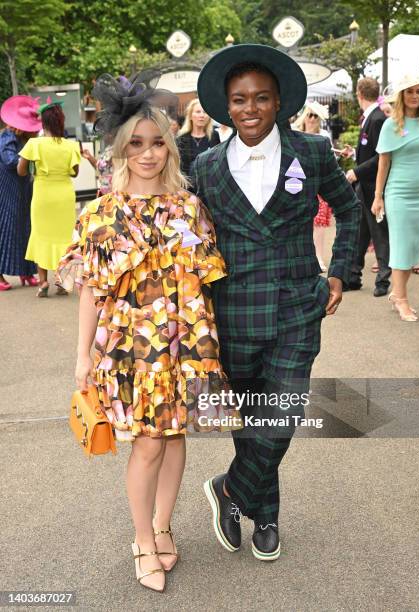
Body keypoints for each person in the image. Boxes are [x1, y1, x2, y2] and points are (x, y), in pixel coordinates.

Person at [55, 73, 238, 593]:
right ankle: (141, 538)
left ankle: (163, 526)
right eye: (136, 144)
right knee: (150, 443)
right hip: (130, 347)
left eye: (158, 142)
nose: (149, 153)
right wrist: (82, 357)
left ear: (170, 145)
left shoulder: (189, 208)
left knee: (175, 436)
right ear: (119, 149)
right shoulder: (102, 215)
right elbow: (90, 288)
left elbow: (206, 281)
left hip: (185, 342)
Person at [193, 44, 360, 561]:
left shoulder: (311, 151)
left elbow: (349, 208)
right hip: (233, 312)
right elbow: (191, 241)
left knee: (281, 414)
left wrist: (340, 273)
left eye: (260, 98)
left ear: (279, 101)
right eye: (239, 99)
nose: (249, 108)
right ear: (226, 105)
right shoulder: (204, 166)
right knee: (253, 420)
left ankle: (230, 490)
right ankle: (265, 513)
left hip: (296, 306)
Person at [371, 74, 419, 321]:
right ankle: (401, 299)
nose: (415, 96)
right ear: (401, 96)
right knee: (400, 247)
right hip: (397, 193)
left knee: (411, 249)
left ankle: (397, 294)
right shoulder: (392, 124)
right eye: (410, 91)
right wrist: (378, 197)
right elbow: (383, 163)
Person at [17, 102, 81, 297]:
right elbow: (75, 173)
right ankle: (62, 283)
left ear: (43, 123)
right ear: (61, 122)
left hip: (43, 195)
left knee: (41, 235)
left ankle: (43, 282)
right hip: (64, 195)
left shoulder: (34, 144)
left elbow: (20, 171)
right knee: (65, 239)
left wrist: (33, 167)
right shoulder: (71, 145)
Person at [341, 77, 391, 297]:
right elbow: (369, 150)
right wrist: (354, 154)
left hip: (373, 186)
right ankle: (353, 276)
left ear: (358, 93)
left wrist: (355, 172)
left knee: (379, 233)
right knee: (360, 232)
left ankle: (383, 280)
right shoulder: (371, 117)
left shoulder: (378, 118)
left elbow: (382, 156)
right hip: (364, 185)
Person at [0, 96, 40, 291]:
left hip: (25, 187)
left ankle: (27, 271)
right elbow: (9, 162)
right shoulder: (6, 138)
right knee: (7, 228)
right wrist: (29, 156)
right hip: (8, 189)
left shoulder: (27, 139)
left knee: (27, 227)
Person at [293, 102, 332, 271]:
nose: (312, 119)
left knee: (320, 223)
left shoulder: (324, 136)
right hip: (298, 184)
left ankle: (319, 257)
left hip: (319, 184)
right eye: (310, 115)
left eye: (316, 116)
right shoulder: (296, 134)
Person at [176, 98, 219, 182]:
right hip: (187, 186)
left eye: (205, 112)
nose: (202, 115)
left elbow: (218, 163)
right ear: (190, 116)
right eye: (198, 112)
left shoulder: (214, 136)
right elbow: (178, 167)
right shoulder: (181, 138)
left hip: (209, 185)